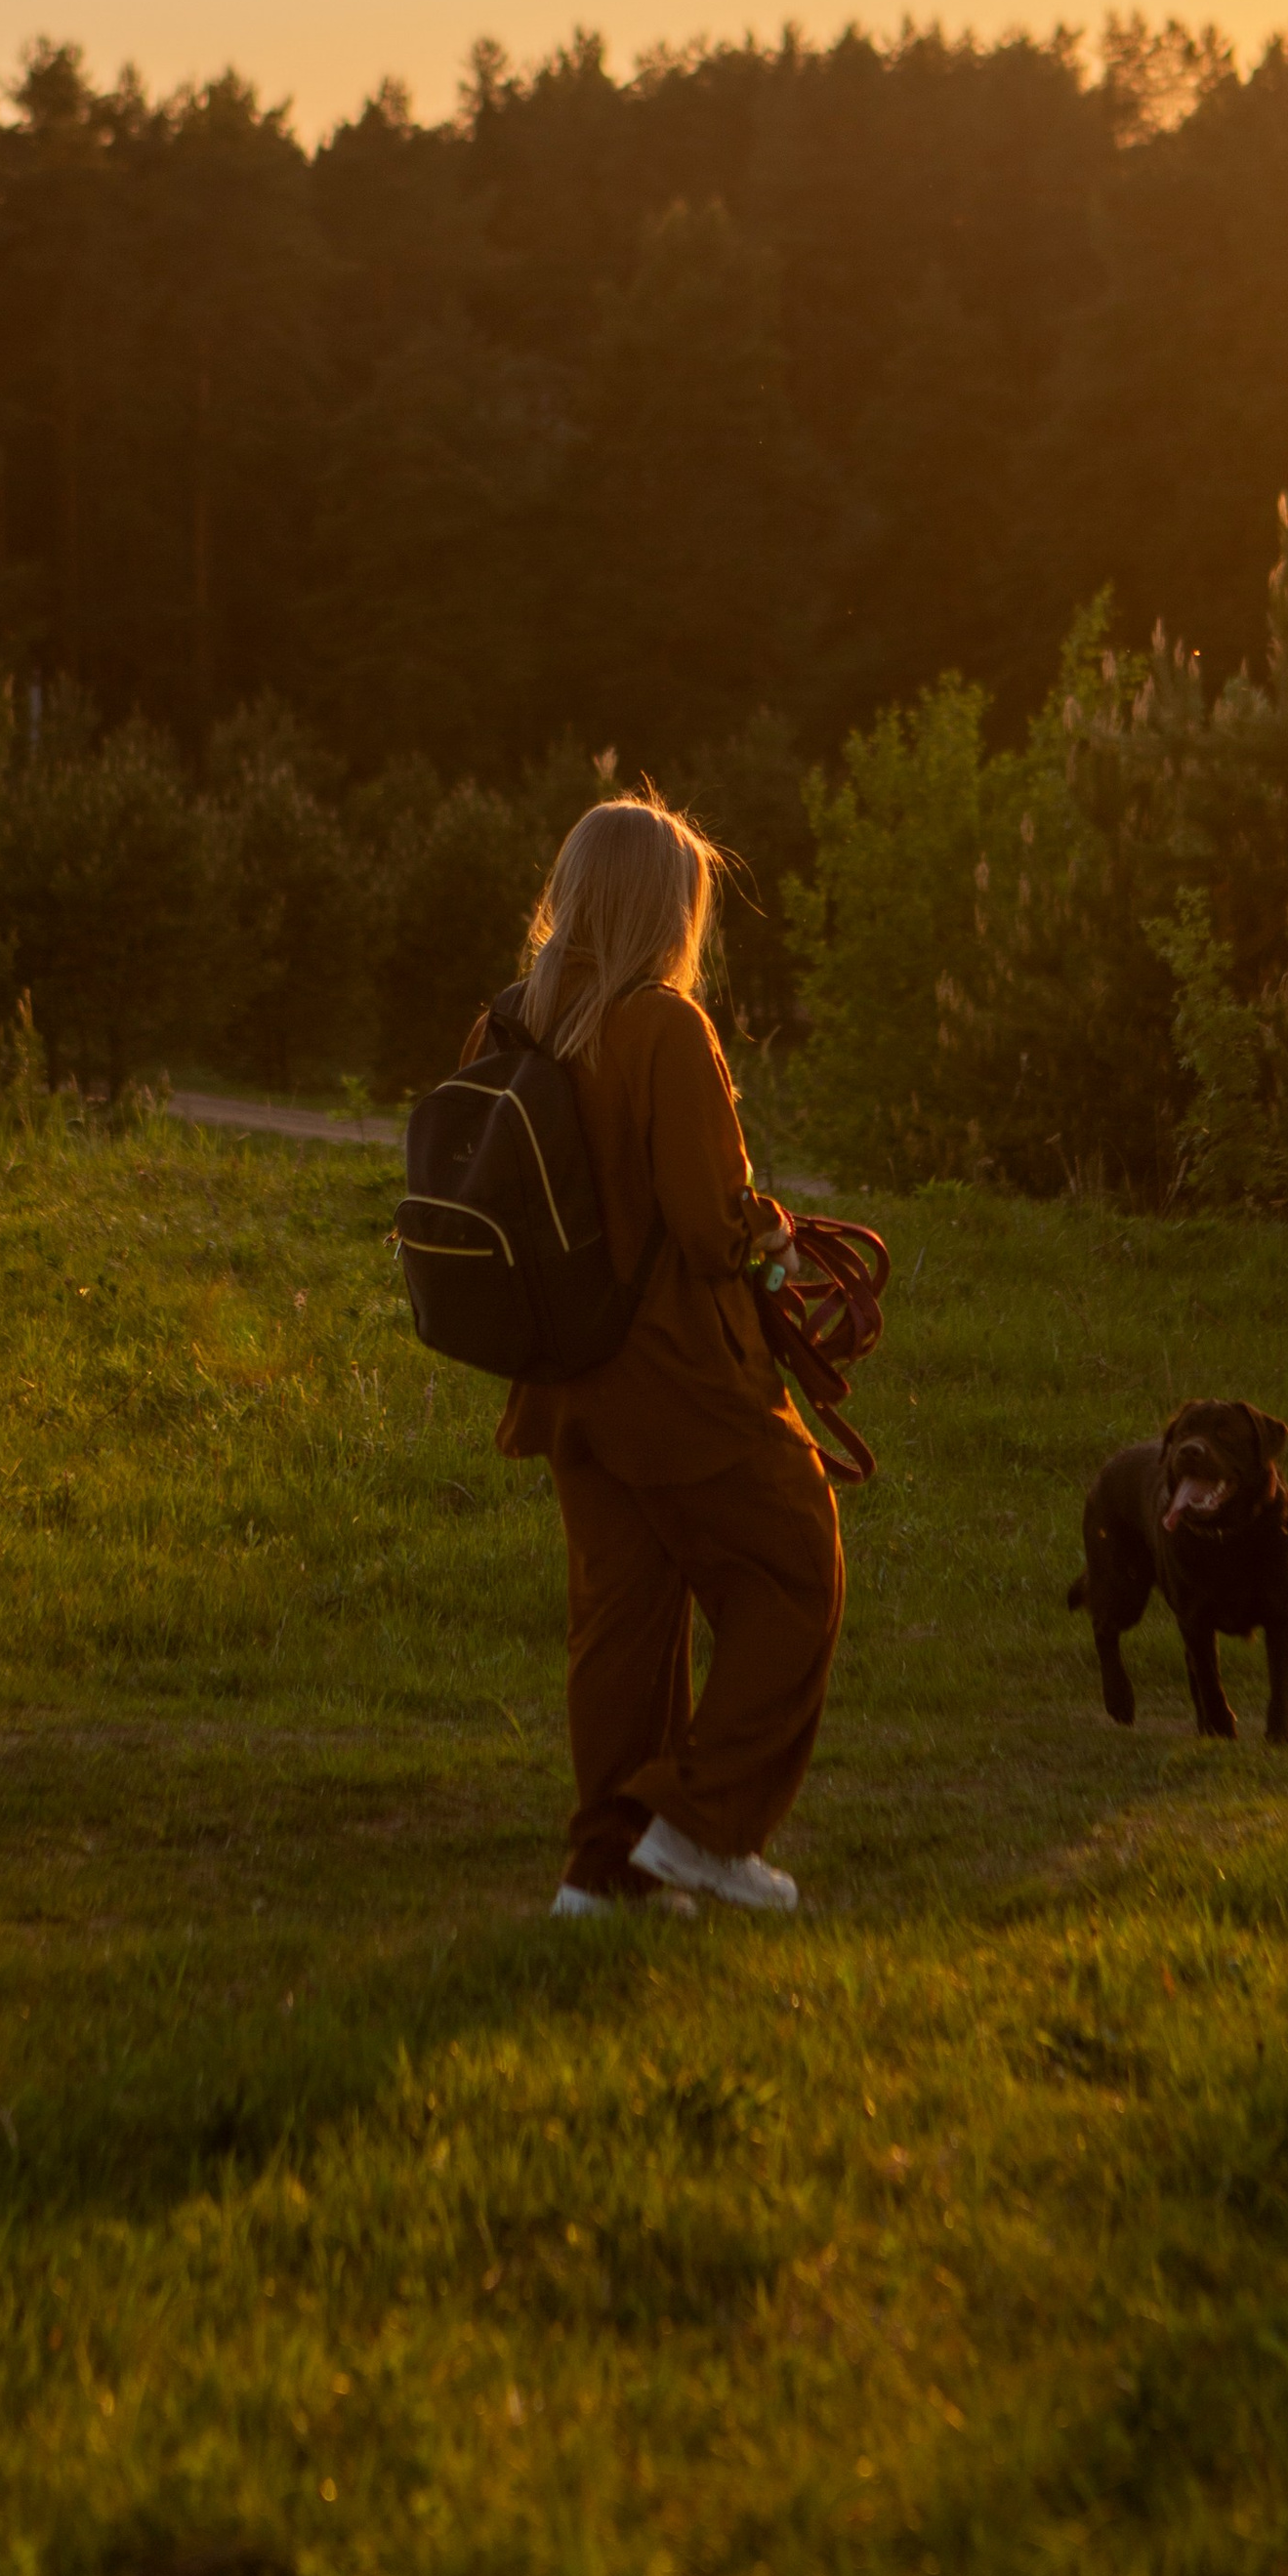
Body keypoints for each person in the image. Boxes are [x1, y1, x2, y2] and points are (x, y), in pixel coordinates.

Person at [470, 793, 844, 1918]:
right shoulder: (663, 1027)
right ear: (662, 908)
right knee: (794, 1566)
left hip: (563, 1387)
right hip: (681, 1381)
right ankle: (699, 1825)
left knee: (623, 1631)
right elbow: (702, 1223)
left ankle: (602, 1876)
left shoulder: (505, 1023)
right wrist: (767, 1232)